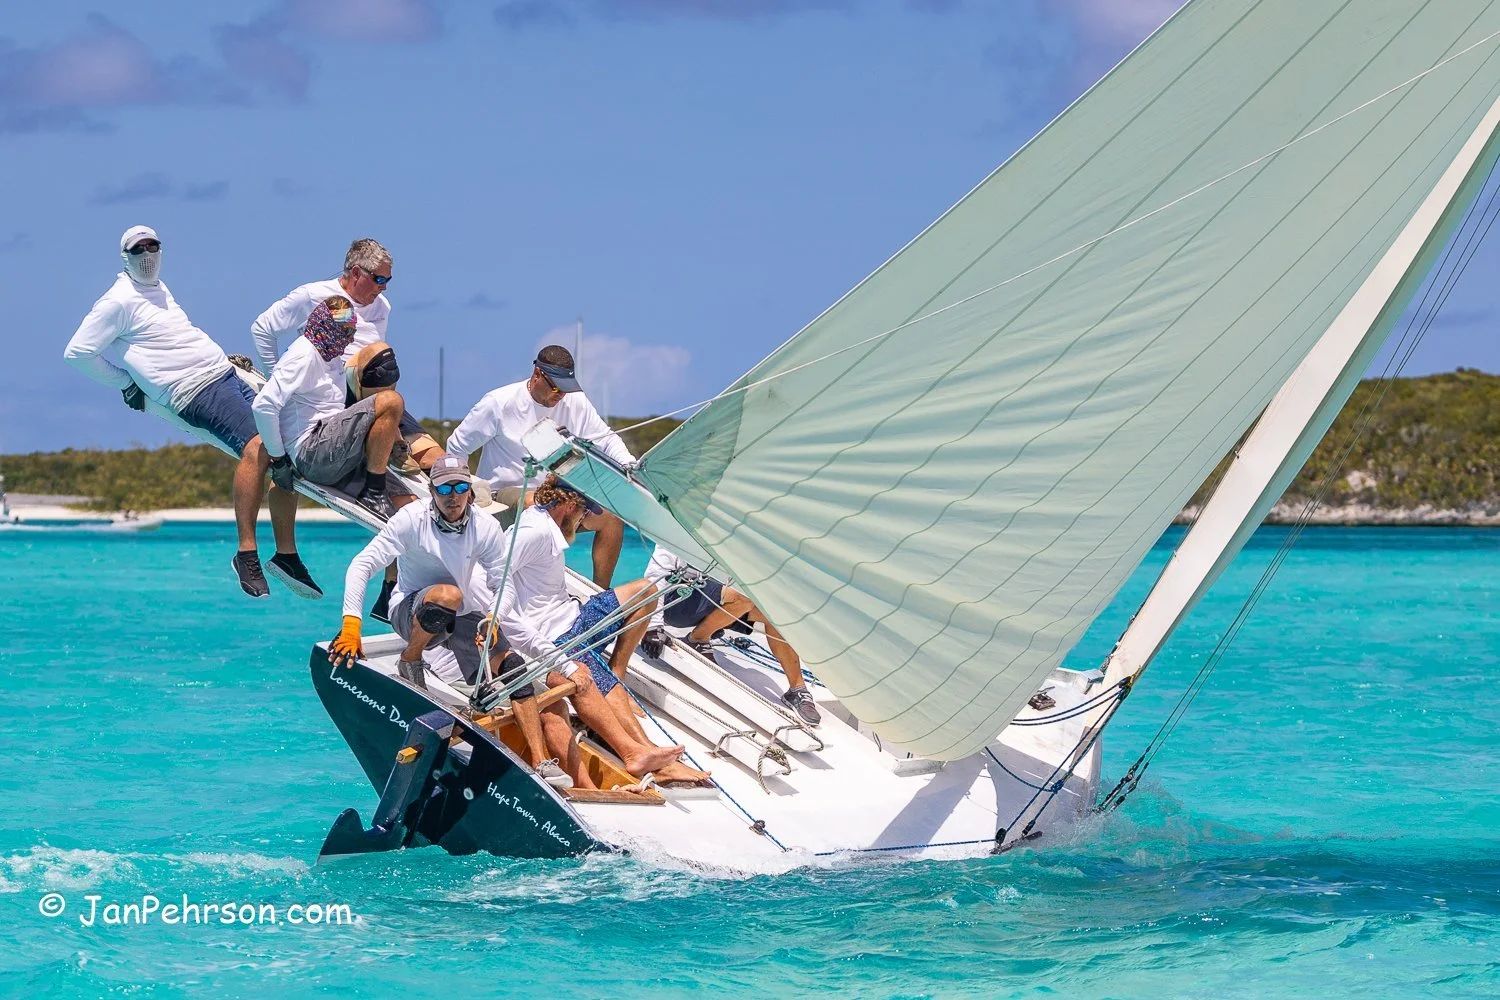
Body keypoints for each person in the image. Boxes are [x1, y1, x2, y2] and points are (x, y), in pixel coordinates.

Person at [63, 225, 318, 600]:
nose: (147, 255)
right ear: (125, 258)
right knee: (261, 446)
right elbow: (77, 353)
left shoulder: (157, 287)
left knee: (288, 448)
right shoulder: (117, 300)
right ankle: (247, 554)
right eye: (138, 250)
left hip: (224, 374)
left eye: (153, 246)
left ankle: (285, 555)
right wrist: (125, 382)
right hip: (194, 390)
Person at [329, 455, 574, 788]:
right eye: (445, 487)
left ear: (470, 491)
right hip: (410, 611)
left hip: (461, 616)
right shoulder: (410, 520)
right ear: (432, 490)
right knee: (448, 595)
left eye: (460, 486)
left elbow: (503, 582)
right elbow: (362, 566)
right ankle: (410, 658)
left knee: (514, 667)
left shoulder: (485, 527)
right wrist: (351, 625)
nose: (453, 495)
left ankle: (541, 762)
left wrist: (494, 616)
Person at [494, 475, 709, 785]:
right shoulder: (532, 532)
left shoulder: (546, 523)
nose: (585, 520)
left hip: (574, 616)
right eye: (585, 512)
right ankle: (645, 756)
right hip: (556, 637)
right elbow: (494, 580)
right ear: (569, 506)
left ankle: (616, 673)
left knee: (647, 591)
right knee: (603, 683)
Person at [250, 237, 444, 472]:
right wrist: (275, 379)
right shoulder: (313, 295)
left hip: (375, 393)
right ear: (356, 273)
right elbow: (262, 328)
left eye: (388, 280)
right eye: (379, 279)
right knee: (380, 356)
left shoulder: (382, 306)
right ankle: (392, 447)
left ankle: (458, 482)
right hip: (334, 390)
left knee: (433, 457)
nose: (384, 287)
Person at [445, 345, 629, 588]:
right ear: (537, 375)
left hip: (556, 493)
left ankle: (599, 595)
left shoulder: (576, 402)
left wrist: (629, 465)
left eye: (565, 390)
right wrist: (463, 493)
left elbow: (605, 439)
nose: (560, 395)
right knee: (541, 503)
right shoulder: (498, 403)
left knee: (612, 517)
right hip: (504, 494)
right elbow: (456, 447)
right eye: (555, 388)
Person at [250, 295, 412, 519]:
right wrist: (279, 461)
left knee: (410, 506)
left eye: (352, 329)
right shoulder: (304, 356)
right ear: (325, 327)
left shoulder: (330, 354)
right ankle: (374, 493)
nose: (350, 337)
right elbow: (263, 406)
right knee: (391, 401)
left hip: (336, 449)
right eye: (345, 331)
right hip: (312, 451)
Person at [642, 546, 822, 726]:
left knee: (776, 613)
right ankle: (698, 638)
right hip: (677, 600)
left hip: (716, 598)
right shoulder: (678, 528)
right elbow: (654, 577)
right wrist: (653, 626)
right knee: (743, 596)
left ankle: (797, 689)